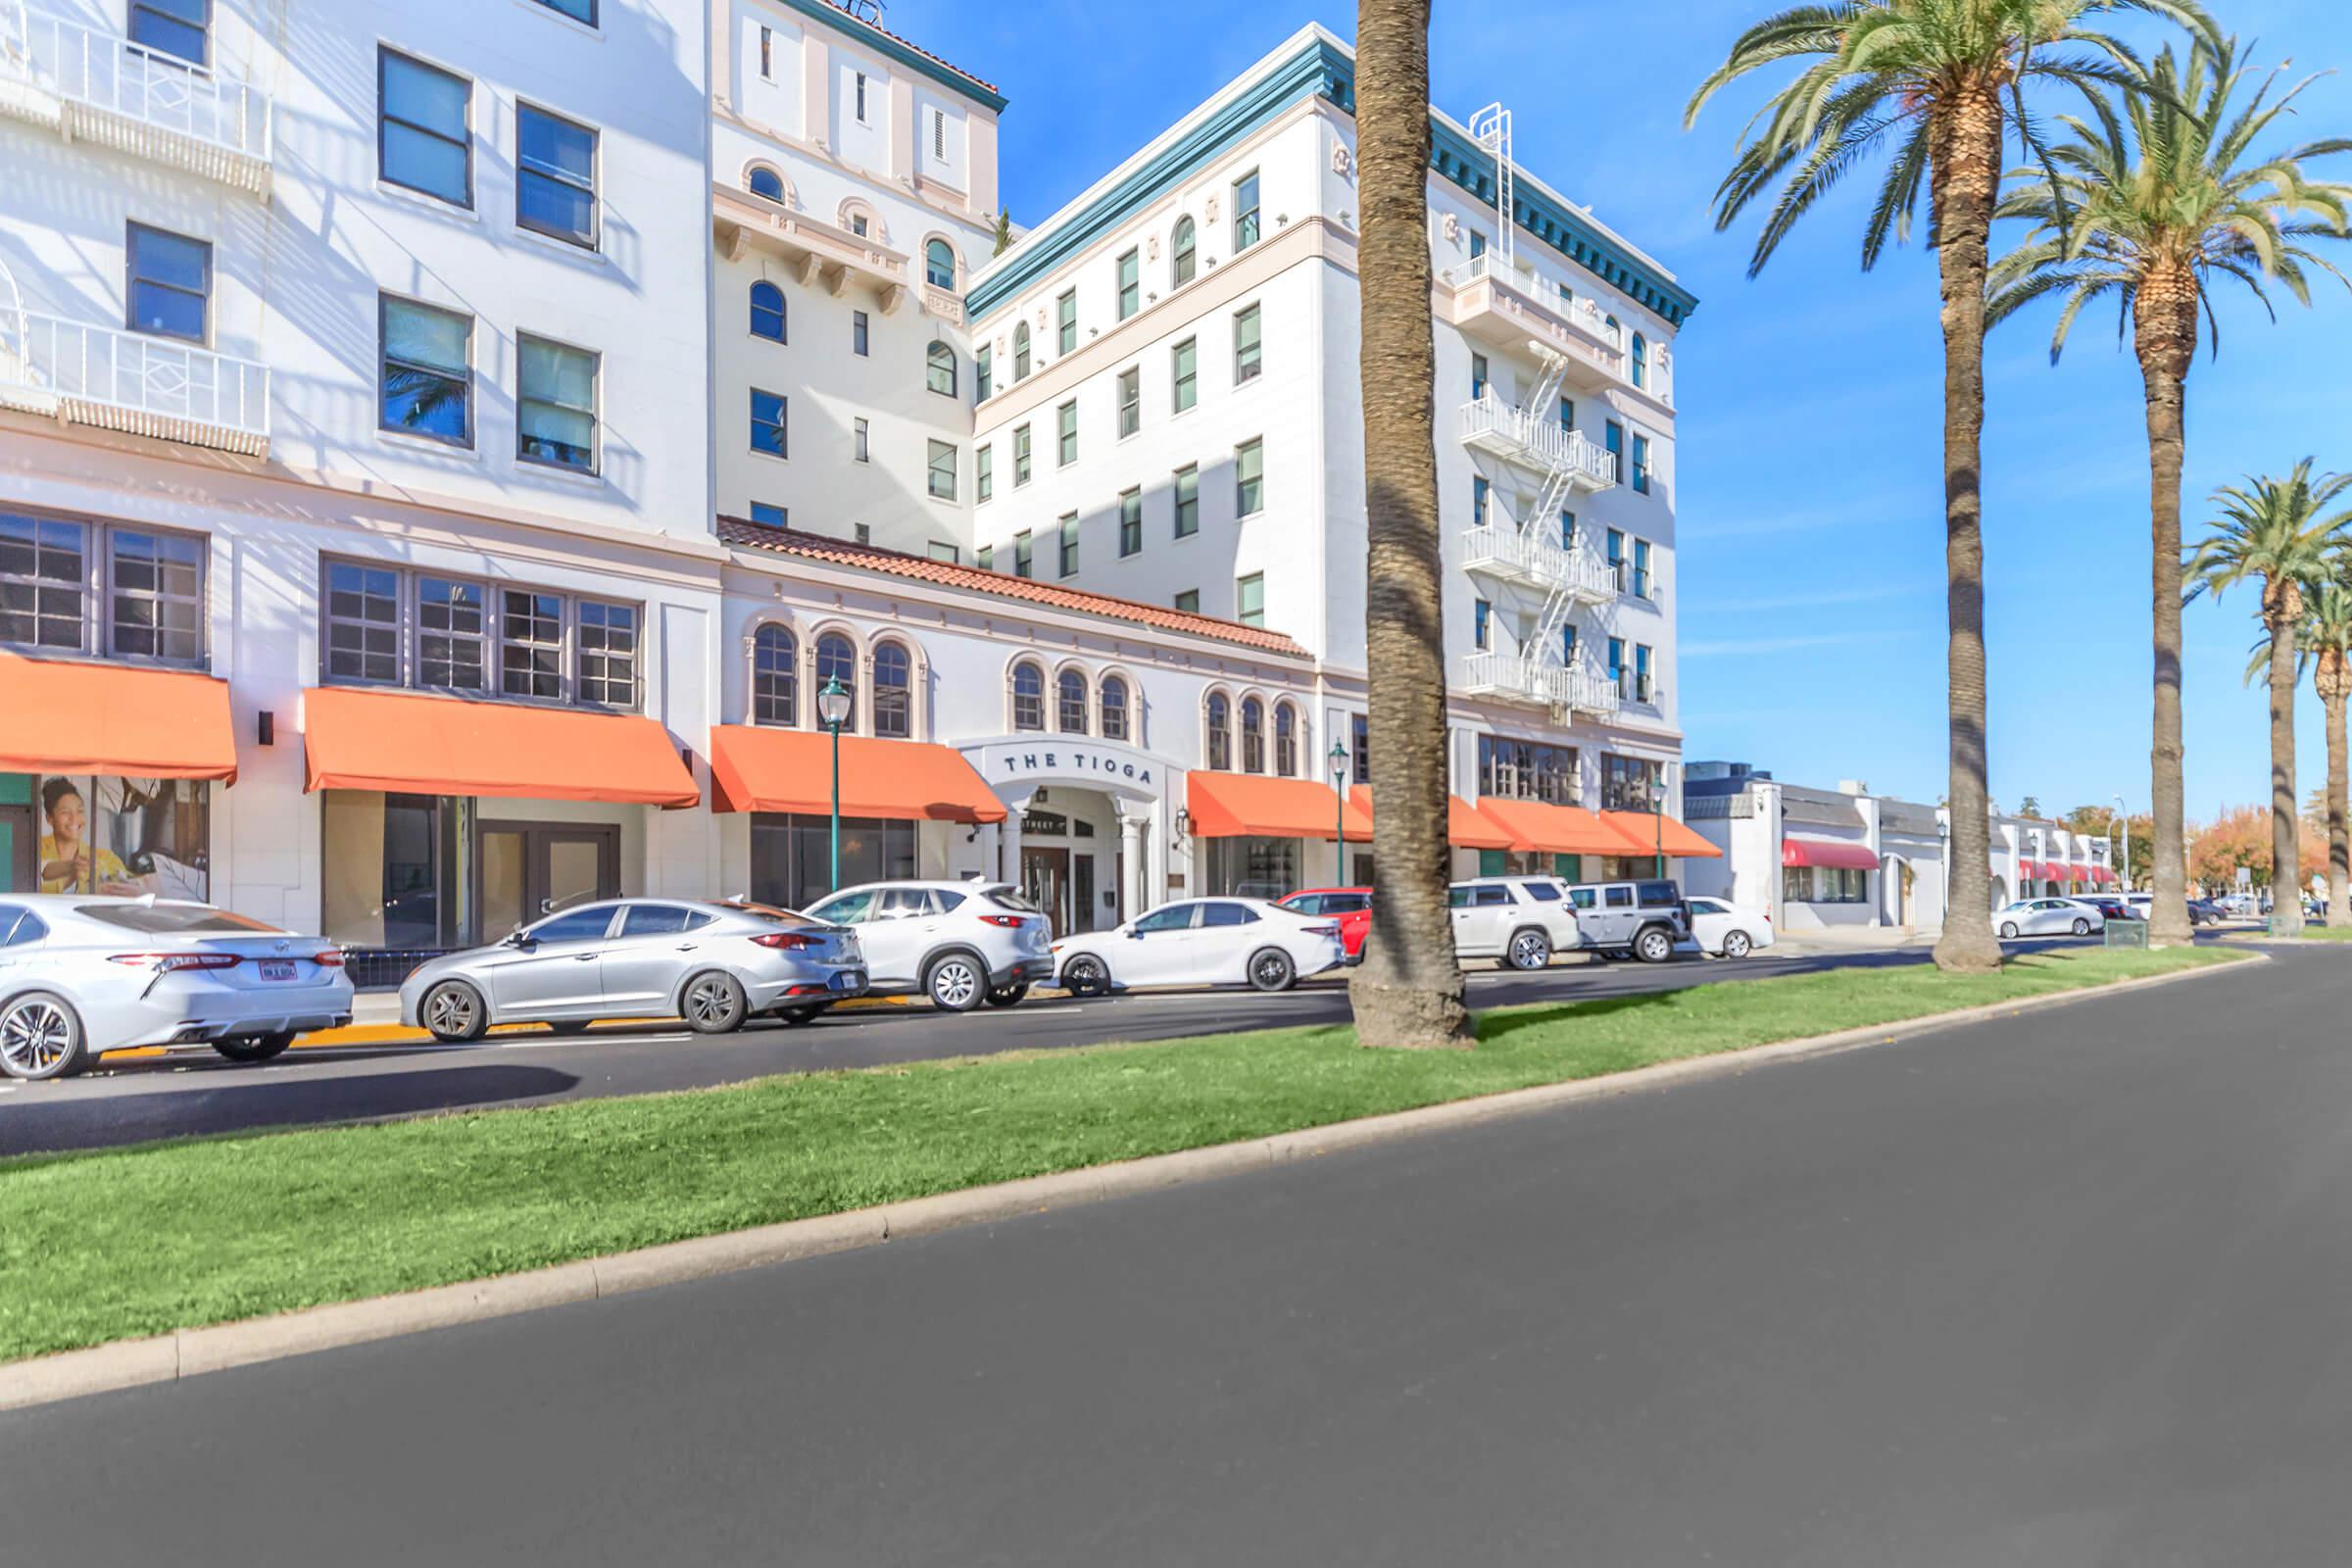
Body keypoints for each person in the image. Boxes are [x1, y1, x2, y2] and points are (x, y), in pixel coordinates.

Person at [37, 778, 135, 896]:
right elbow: (34, 878)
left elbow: (129, 886)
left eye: (80, 811)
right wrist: (71, 872)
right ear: (49, 818)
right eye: (65, 812)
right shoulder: (35, 850)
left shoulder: (105, 857)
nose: (74, 819)